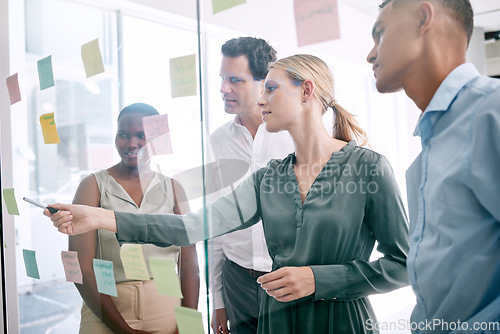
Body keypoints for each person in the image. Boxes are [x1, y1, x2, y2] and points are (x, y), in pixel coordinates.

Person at [48, 54, 410, 334]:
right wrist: (98, 217)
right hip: (277, 321)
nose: (261, 98)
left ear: (307, 90)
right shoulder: (267, 179)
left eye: (271, 88)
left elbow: (404, 264)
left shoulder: (368, 168)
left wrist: (320, 279)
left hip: (342, 321)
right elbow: (189, 227)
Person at [366, 0, 500, 332]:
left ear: (423, 17)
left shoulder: (490, 111)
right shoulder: (432, 141)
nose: (370, 55)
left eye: (380, 33)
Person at [70, 103, 199, 334]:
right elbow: (82, 267)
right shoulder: (93, 186)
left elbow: (189, 265)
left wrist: (188, 327)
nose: (132, 143)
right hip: (105, 308)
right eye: (123, 135)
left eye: (142, 135)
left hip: (165, 306)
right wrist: (123, 331)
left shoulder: (173, 188)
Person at [209, 36, 294, 334]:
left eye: (235, 80)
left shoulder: (294, 135)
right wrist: (216, 298)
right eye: (222, 79)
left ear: (264, 83)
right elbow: (216, 222)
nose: (223, 89)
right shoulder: (218, 140)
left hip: (288, 279)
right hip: (237, 281)